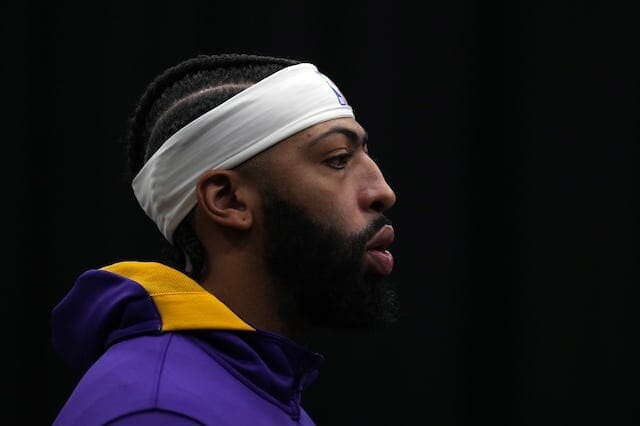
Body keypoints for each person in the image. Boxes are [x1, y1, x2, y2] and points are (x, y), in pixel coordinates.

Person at [51, 53, 398, 425]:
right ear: (228, 200)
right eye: (338, 159)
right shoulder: (159, 411)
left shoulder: (264, 391)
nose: (383, 192)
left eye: (366, 154)